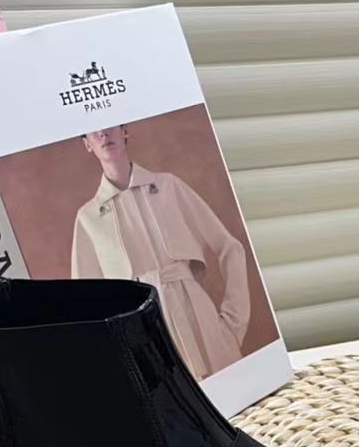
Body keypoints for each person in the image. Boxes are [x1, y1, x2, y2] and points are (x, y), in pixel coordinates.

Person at [71, 125, 250, 379]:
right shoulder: (88, 218)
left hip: (202, 321)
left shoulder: (168, 186)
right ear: (87, 143)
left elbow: (230, 248)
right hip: (145, 334)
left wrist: (234, 324)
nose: (103, 134)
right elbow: (86, 304)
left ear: (124, 131)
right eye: (93, 131)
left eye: (109, 125)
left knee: (238, 394)